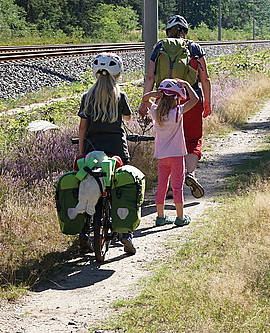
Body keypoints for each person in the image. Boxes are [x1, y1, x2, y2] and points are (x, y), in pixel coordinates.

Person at [139, 14, 211, 199]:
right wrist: (207, 103)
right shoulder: (194, 48)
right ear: (185, 31)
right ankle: (190, 174)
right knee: (193, 139)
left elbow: (150, 77)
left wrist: (144, 103)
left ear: (167, 31)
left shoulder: (159, 48)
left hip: (164, 101)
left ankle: (171, 187)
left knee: (169, 141)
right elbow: (205, 78)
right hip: (190, 99)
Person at [77, 52, 136, 255]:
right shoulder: (120, 96)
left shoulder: (87, 97)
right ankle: (125, 233)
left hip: (92, 151)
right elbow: (127, 118)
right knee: (123, 186)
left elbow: (82, 129)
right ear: (118, 74)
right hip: (117, 150)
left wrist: (80, 152)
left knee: (85, 186)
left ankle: (84, 231)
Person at [141, 78, 199, 227]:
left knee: (162, 186)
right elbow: (195, 99)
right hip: (177, 156)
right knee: (177, 187)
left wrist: (156, 93)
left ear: (162, 98)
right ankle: (180, 217)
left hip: (162, 157)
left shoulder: (156, 112)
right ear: (176, 98)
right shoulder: (177, 112)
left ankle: (160, 217)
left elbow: (145, 99)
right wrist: (186, 84)